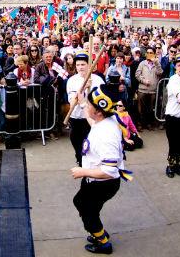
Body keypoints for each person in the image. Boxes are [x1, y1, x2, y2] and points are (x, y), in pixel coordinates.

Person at [71, 85, 130, 254]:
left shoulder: (107, 135)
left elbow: (110, 171)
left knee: (88, 211)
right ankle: (96, 230)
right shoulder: (103, 120)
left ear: (98, 111)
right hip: (94, 180)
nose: (87, 106)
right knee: (82, 204)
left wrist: (82, 172)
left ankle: (103, 242)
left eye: (90, 105)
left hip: (103, 183)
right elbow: (92, 122)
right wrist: (82, 103)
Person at [66, 51, 105, 165]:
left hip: (92, 119)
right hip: (77, 118)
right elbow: (73, 101)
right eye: (78, 65)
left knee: (91, 144)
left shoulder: (98, 80)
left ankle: (91, 165)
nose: (80, 67)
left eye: (83, 64)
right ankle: (80, 161)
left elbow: (102, 101)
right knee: (77, 143)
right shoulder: (72, 80)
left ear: (89, 65)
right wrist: (83, 88)